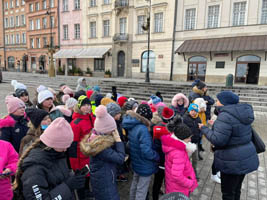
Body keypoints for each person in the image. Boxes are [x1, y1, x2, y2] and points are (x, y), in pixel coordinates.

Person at [199, 91, 259, 200]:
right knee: (236, 189)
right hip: (245, 157)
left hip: (231, 161)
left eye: (218, 101)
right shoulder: (241, 113)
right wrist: (218, 126)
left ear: (224, 103)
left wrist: (204, 129)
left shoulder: (225, 116)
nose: (216, 103)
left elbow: (218, 140)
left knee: (228, 193)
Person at [13, 117, 86, 199]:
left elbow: (57, 179)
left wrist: (73, 178)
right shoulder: (35, 168)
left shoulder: (58, 154)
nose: (65, 149)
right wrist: (67, 187)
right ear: (53, 144)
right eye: (63, 146)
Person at [80, 105, 125, 200]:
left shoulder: (95, 138)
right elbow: (120, 158)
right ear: (106, 131)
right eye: (112, 130)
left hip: (102, 179)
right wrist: (118, 139)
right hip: (106, 183)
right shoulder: (101, 147)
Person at [122, 104, 159, 200]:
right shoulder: (143, 129)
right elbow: (146, 151)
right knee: (142, 189)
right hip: (145, 164)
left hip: (136, 161)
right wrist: (156, 156)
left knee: (135, 184)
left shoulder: (133, 125)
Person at [161, 116, 198, 197]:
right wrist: (189, 183)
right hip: (179, 188)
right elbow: (177, 175)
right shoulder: (179, 153)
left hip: (172, 185)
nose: (190, 140)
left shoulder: (173, 145)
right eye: (188, 138)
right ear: (181, 138)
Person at [69, 95, 95, 200]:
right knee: (81, 179)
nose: (87, 107)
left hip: (90, 154)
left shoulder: (91, 117)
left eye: (89, 105)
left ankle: (87, 192)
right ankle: (82, 196)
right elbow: (73, 145)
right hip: (80, 157)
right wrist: (74, 164)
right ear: (79, 106)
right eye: (84, 105)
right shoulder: (76, 123)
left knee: (88, 177)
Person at [152, 107, 175, 200]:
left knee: (157, 182)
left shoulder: (156, 127)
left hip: (159, 161)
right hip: (169, 162)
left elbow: (154, 145)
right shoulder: (173, 130)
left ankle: (155, 197)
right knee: (169, 183)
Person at [107, 102, 128, 182]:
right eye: (118, 113)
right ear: (113, 114)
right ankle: (117, 175)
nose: (120, 115)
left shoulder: (118, 122)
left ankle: (119, 174)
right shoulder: (111, 125)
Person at [183, 104, 202, 177]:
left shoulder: (198, 118)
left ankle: (194, 172)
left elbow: (199, 128)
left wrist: (200, 134)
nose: (193, 112)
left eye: (195, 111)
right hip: (188, 143)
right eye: (192, 110)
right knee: (187, 159)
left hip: (195, 142)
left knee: (195, 159)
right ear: (189, 110)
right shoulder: (185, 118)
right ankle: (185, 173)